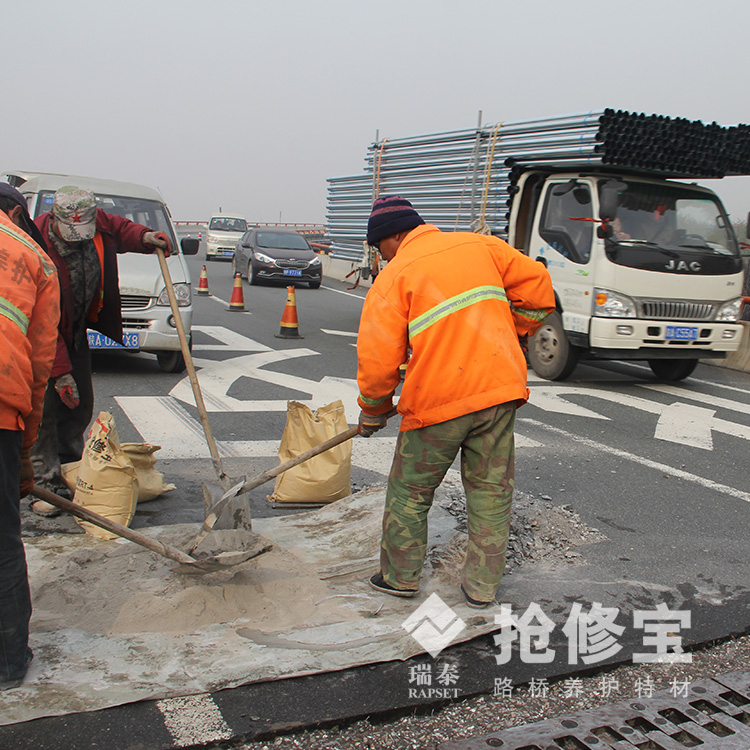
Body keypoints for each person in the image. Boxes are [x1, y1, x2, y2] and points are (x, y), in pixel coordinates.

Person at [357, 195, 555, 608]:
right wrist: (512, 331)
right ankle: (481, 589)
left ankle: (400, 579)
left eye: (381, 248)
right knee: (491, 492)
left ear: (394, 235)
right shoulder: (480, 246)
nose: (382, 257)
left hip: (438, 402)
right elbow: (539, 289)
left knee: (410, 492)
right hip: (499, 390)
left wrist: (374, 411)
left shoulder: (393, 279)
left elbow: (378, 362)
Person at [29, 186, 172, 515]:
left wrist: (147, 237)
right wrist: (61, 373)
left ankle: (69, 470)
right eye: (71, 233)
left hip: (75, 330)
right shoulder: (34, 242)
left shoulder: (98, 225)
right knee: (47, 411)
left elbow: (121, 229)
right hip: (41, 335)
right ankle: (45, 485)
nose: (79, 239)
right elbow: (41, 322)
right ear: (54, 219)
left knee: (79, 406)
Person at [0, 183, 60, 688]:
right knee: (1, 541)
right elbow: (40, 365)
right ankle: (6, 664)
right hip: (1, 403)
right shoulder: (35, 258)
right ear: (19, 213)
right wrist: (25, 455)